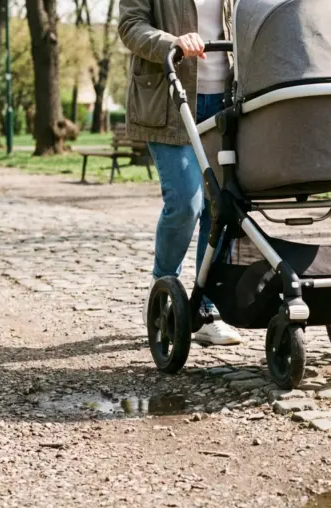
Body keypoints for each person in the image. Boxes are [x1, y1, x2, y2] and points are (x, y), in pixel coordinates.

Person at [119, 0, 241, 346]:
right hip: (170, 99)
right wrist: (171, 42)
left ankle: (204, 309)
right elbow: (131, 26)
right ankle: (164, 289)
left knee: (222, 207)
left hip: (225, 103)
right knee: (187, 203)